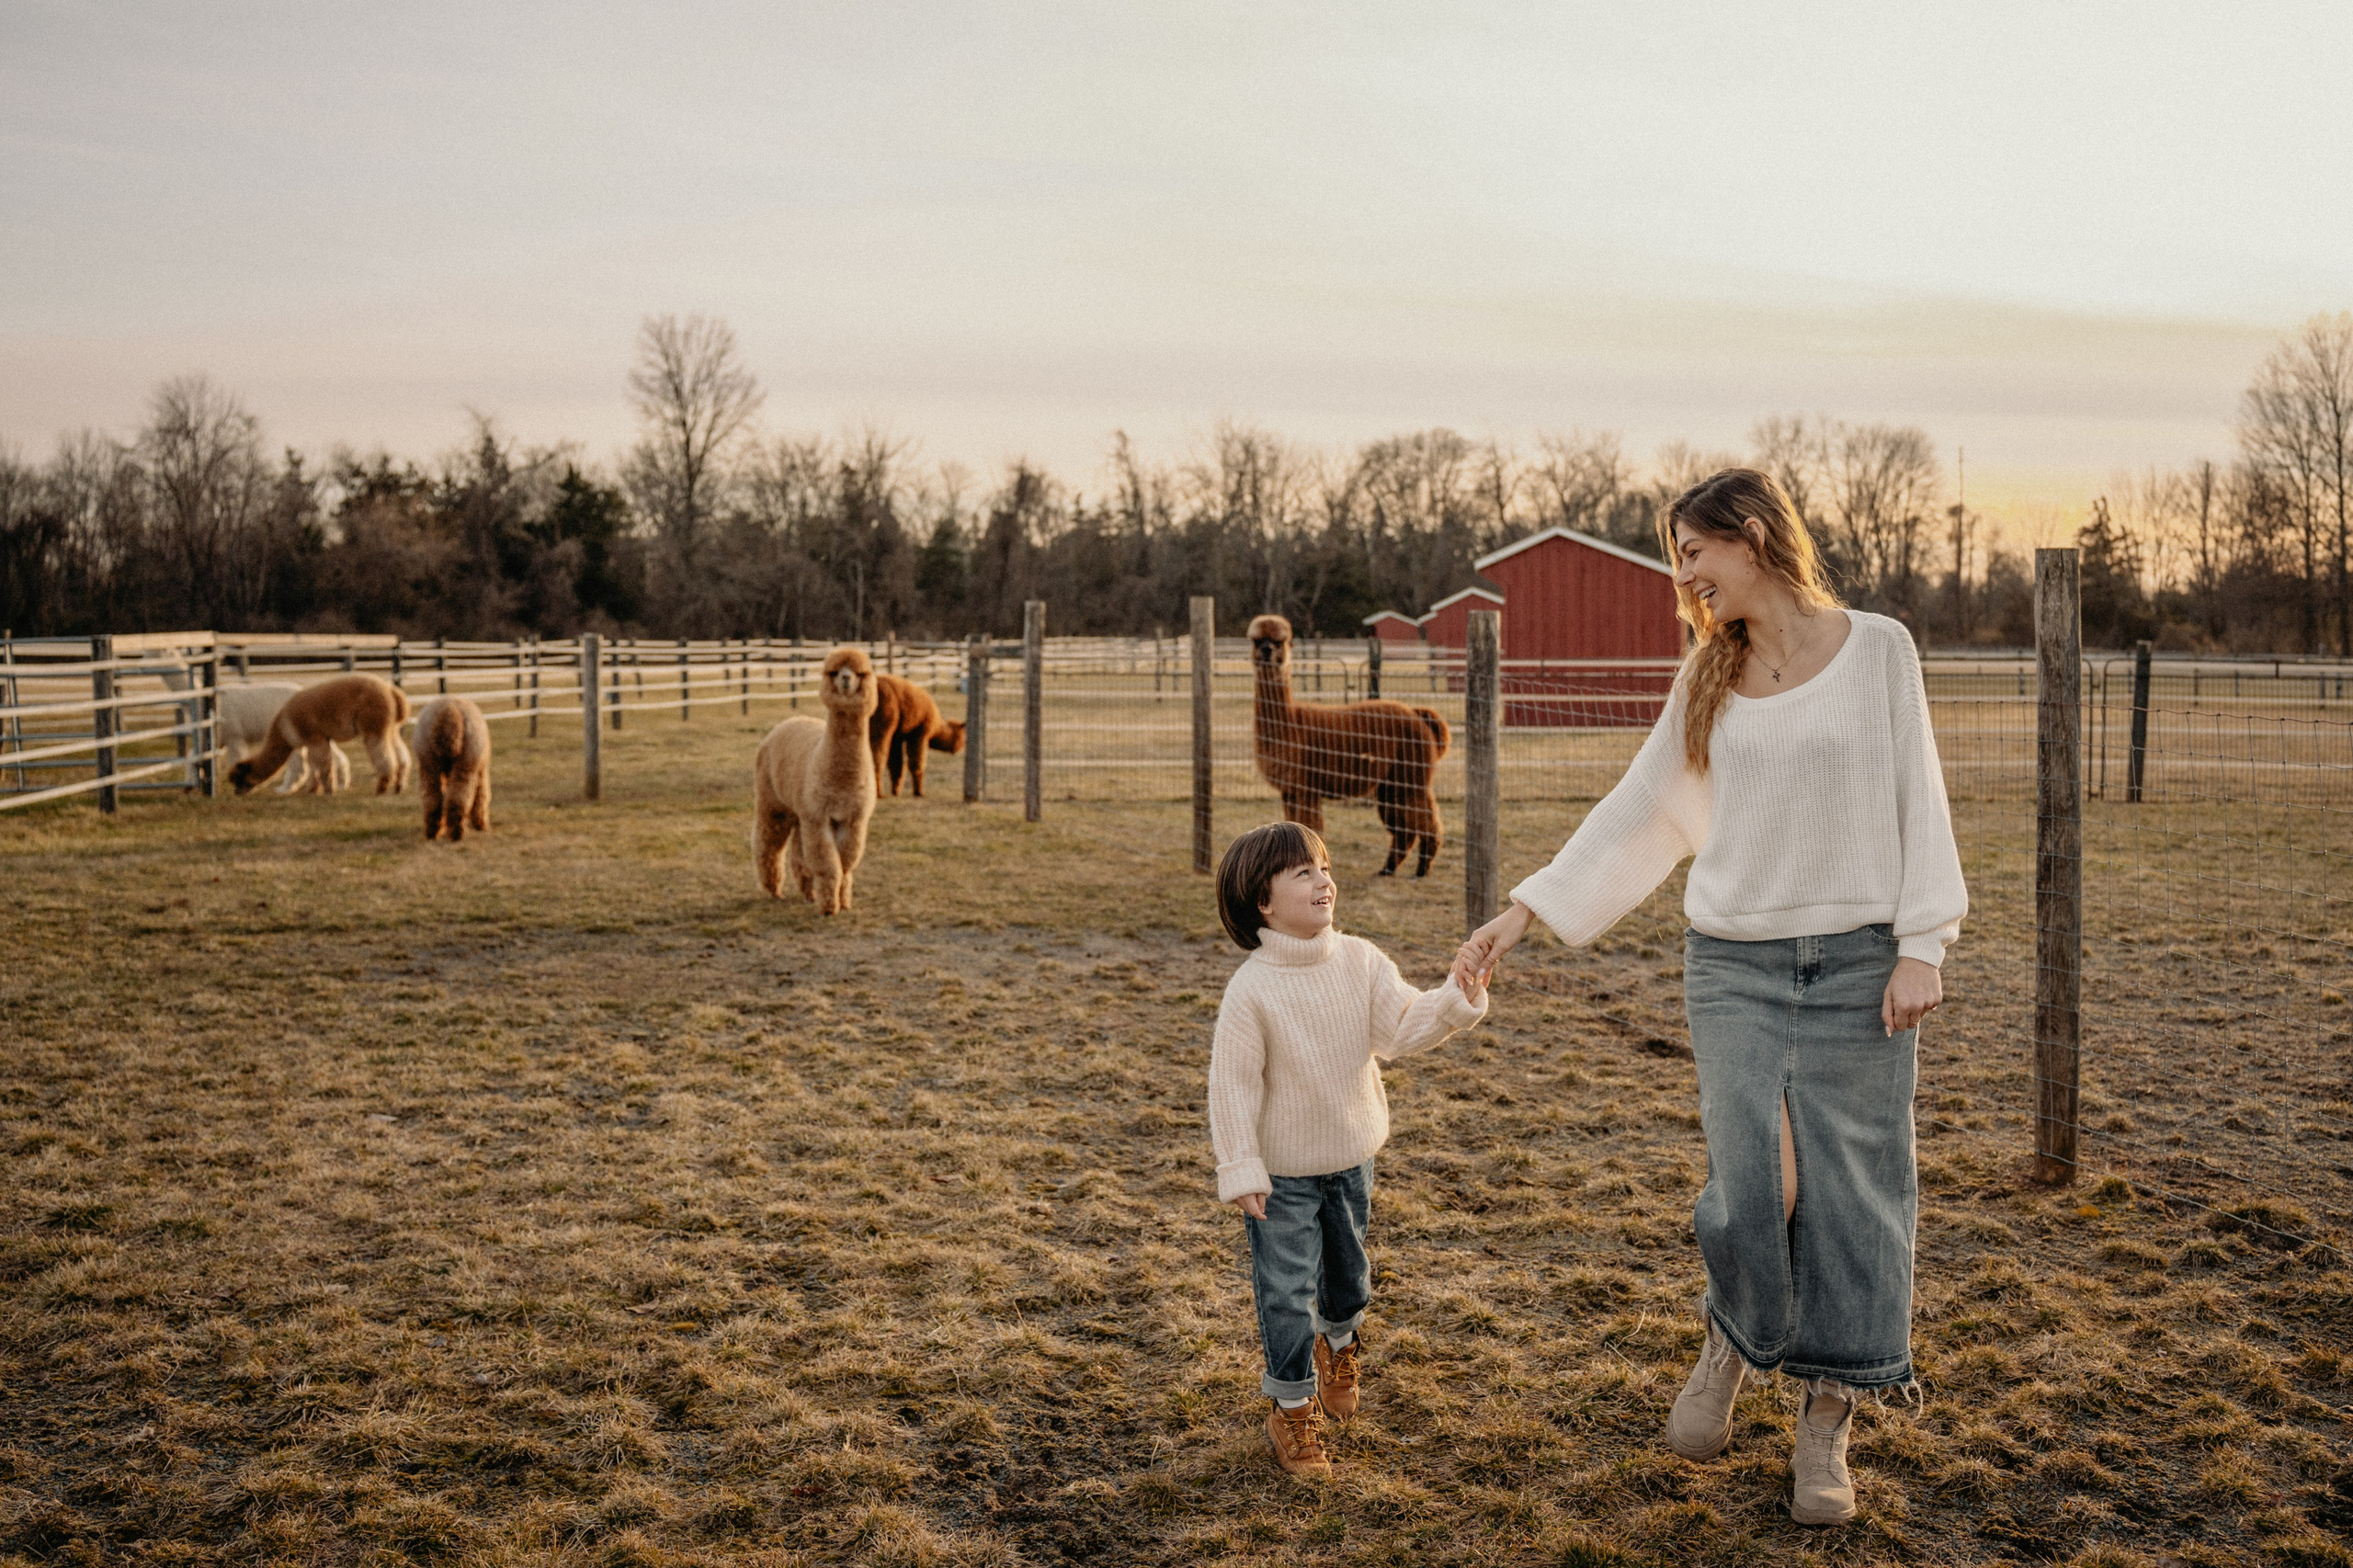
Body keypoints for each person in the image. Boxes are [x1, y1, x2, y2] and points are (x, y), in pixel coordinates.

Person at [1450, 468, 1966, 1527]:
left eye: (1694, 550)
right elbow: (1641, 808)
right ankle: (1734, 1336)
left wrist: (1922, 944)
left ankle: (1828, 1409)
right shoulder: (1707, 675)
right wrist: (1523, 910)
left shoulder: (1878, 649)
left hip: (1860, 963)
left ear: (1756, 535)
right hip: (1734, 965)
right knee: (1756, 1183)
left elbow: (1919, 792)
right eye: (1677, 556)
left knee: (1856, 1192)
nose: (1684, 573)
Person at [1209, 821, 1488, 1480]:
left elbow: (1403, 1026)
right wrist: (1241, 1166)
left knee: (1347, 1277)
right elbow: (1233, 1085)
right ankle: (1292, 1406)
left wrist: (1459, 995)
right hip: (1281, 1176)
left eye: (1325, 867)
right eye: (1303, 872)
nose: (1324, 881)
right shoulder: (1251, 990)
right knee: (1285, 1292)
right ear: (1263, 901)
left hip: (1351, 1158)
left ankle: (1338, 1345)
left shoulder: (1361, 961)